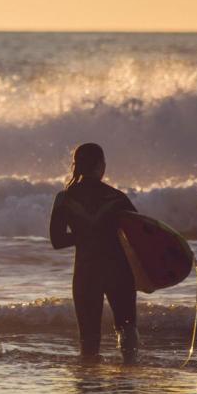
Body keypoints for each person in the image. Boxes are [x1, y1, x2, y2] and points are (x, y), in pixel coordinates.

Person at [49, 143, 140, 362]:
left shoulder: (65, 199)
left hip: (86, 272)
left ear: (77, 165)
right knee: (126, 329)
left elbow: (57, 241)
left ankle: (90, 388)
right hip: (119, 271)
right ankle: (128, 379)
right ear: (100, 166)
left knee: (89, 340)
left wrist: (84, 235)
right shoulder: (117, 198)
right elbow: (140, 236)